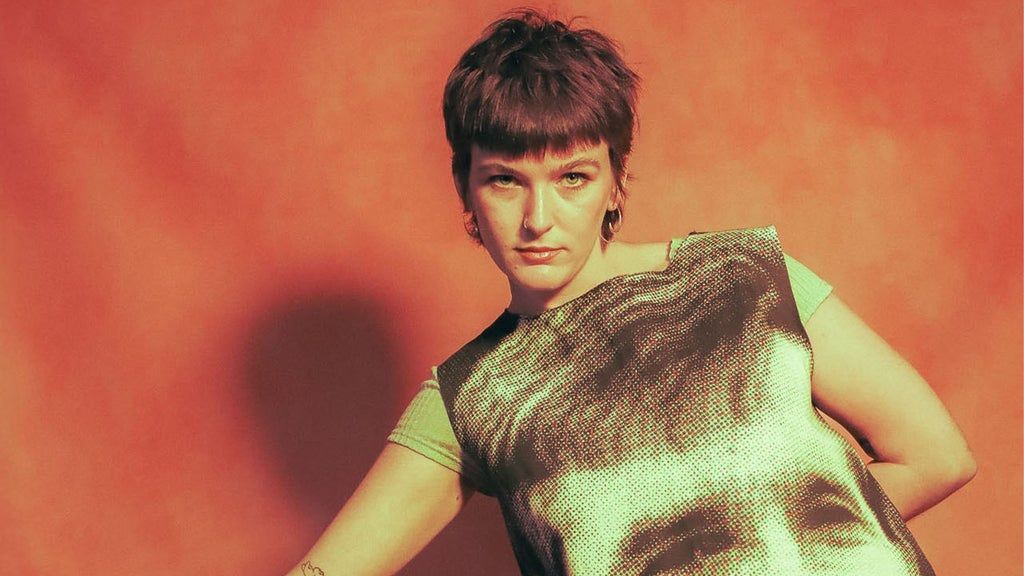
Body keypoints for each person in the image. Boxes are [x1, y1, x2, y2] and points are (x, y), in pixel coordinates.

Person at [285, 9, 976, 576]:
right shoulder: (475, 395)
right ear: (465, 186)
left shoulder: (746, 278)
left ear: (616, 182)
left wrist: (787, 540)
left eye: (573, 178)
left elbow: (936, 457)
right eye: (505, 180)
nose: (538, 218)